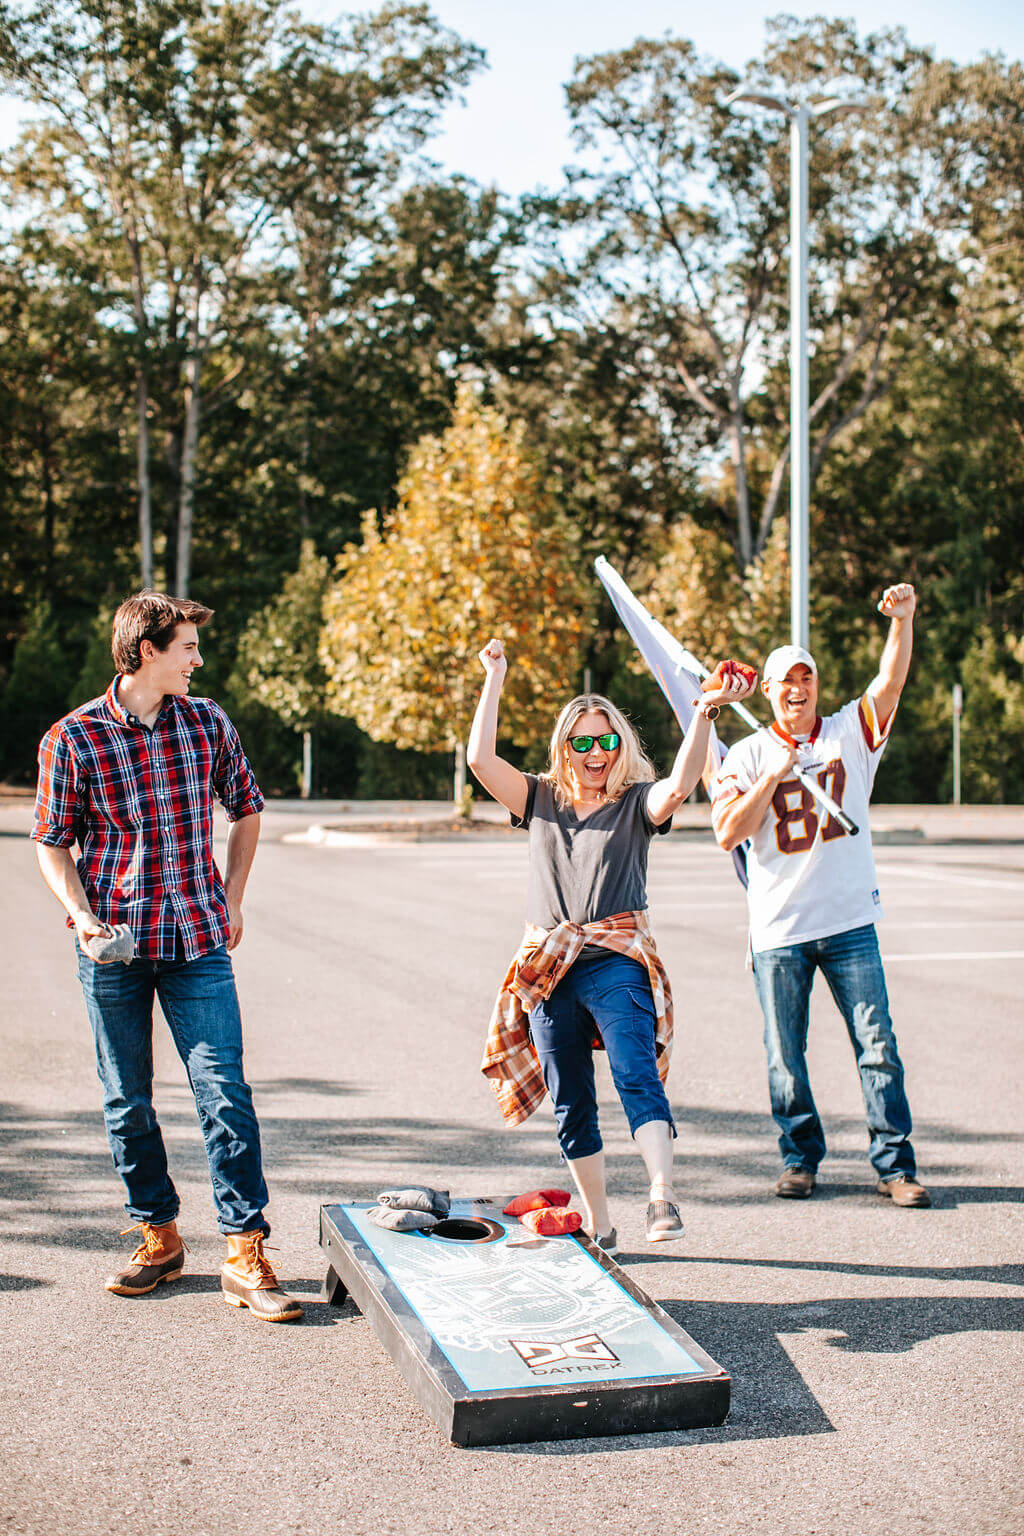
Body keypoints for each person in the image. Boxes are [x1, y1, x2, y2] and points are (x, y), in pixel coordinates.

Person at [32, 590, 303, 1319]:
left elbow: (246, 807)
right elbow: (52, 844)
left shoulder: (208, 722)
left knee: (224, 1093)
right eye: (187, 646)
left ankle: (245, 1249)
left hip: (197, 941)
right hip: (112, 950)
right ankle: (159, 1236)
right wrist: (81, 915)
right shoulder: (75, 738)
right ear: (146, 650)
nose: (198, 659)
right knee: (127, 1101)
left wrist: (234, 897)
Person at [475, 638, 756, 1253]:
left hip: (616, 960)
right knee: (571, 1102)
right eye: (583, 741)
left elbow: (680, 785)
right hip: (549, 971)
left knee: (634, 1073)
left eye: (607, 740)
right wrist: (494, 676)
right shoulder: (539, 798)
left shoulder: (635, 803)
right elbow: (479, 759)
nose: (596, 751)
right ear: (565, 748)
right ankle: (600, 1223)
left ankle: (661, 1195)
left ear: (620, 746)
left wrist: (706, 712)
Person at [711, 583, 930, 1207]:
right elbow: (728, 831)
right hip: (778, 929)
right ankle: (799, 1157)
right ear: (773, 691)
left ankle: (895, 1166)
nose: (796, 688)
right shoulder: (749, 754)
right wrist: (773, 775)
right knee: (785, 1055)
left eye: (805, 677)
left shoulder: (849, 735)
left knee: (877, 1046)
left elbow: (890, 682)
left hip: (850, 921)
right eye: (785, 680)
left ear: (815, 686)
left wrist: (902, 621)